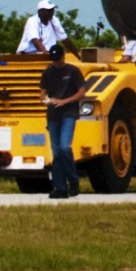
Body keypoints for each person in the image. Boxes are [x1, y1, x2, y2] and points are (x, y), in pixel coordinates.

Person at [40, 42, 85, 199]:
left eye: (57, 59)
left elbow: (81, 92)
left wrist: (65, 101)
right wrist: (46, 100)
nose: (55, 62)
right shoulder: (48, 72)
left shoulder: (73, 71)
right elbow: (42, 92)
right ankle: (60, 187)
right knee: (57, 152)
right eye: (53, 59)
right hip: (53, 115)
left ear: (63, 57)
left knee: (65, 147)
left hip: (68, 113)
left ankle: (73, 180)